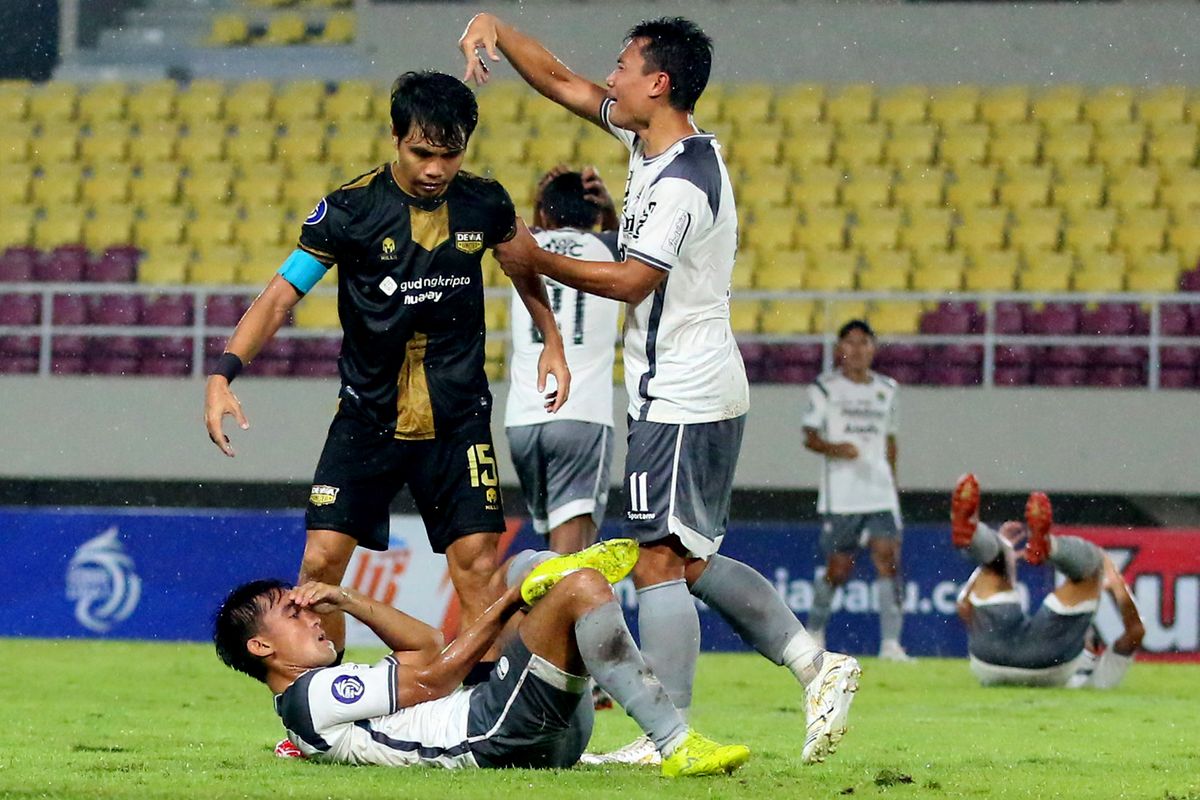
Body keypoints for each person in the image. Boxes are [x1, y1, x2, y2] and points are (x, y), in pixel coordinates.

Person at [458, 13, 860, 766]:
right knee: (687, 559)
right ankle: (816, 664)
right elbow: (562, 82)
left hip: (682, 388)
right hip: (682, 386)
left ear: (660, 82)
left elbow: (634, 280)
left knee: (656, 562)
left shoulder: (682, 180)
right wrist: (495, 27)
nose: (611, 77)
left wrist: (533, 253)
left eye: (624, 65)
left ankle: (665, 732)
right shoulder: (649, 145)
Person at [203, 70, 570, 662]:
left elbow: (523, 266)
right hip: (368, 416)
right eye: (422, 152)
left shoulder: (485, 201)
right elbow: (279, 297)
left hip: (457, 418)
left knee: (478, 566)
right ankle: (319, 709)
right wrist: (222, 374)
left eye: (449, 155)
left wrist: (551, 338)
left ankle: (478, 721)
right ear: (395, 138)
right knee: (321, 562)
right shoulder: (349, 210)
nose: (435, 169)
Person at [212, 539, 751, 777]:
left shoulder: (314, 698)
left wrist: (347, 597)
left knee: (526, 567)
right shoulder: (312, 694)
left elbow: (425, 645)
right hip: (494, 734)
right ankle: (674, 742)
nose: (313, 617)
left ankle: (557, 590)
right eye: (294, 614)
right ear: (262, 647)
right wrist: (513, 604)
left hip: (523, 733)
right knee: (575, 586)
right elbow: (434, 679)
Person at [506, 166, 621, 555]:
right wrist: (609, 207)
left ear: (545, 213)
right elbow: (630, 242)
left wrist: (541, 201)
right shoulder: (611, 249)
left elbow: (523, 228)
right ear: (596, 214)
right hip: (580, 414)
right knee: (569, 564)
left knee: (552, 555)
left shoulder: (524, 246)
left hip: (523, 419)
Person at [950, 473, 1145, 689]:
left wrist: (1004, 556)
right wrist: (1117, 586)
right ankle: (1047, 546)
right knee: (1094, 566)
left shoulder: (1095, 673)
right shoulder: (1099, 677)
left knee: (996, 563)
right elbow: (1136, 632)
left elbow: (963, 607)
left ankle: (974, 535)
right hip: (1042, 664)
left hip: (990, 658)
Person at [801, 319, 912, 662]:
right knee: (839, 569)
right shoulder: (824, 389)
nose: (858, 349)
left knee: (888, 561)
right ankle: (814, 633)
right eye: (850, 342)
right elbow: (809, 437)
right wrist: (837, 448)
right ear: (840, 348)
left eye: (864, 343)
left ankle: (891, 645)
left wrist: (892, 484)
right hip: (842, 494)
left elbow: (890, 441)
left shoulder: (887, 389)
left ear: (873, 348)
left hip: (879, 493)